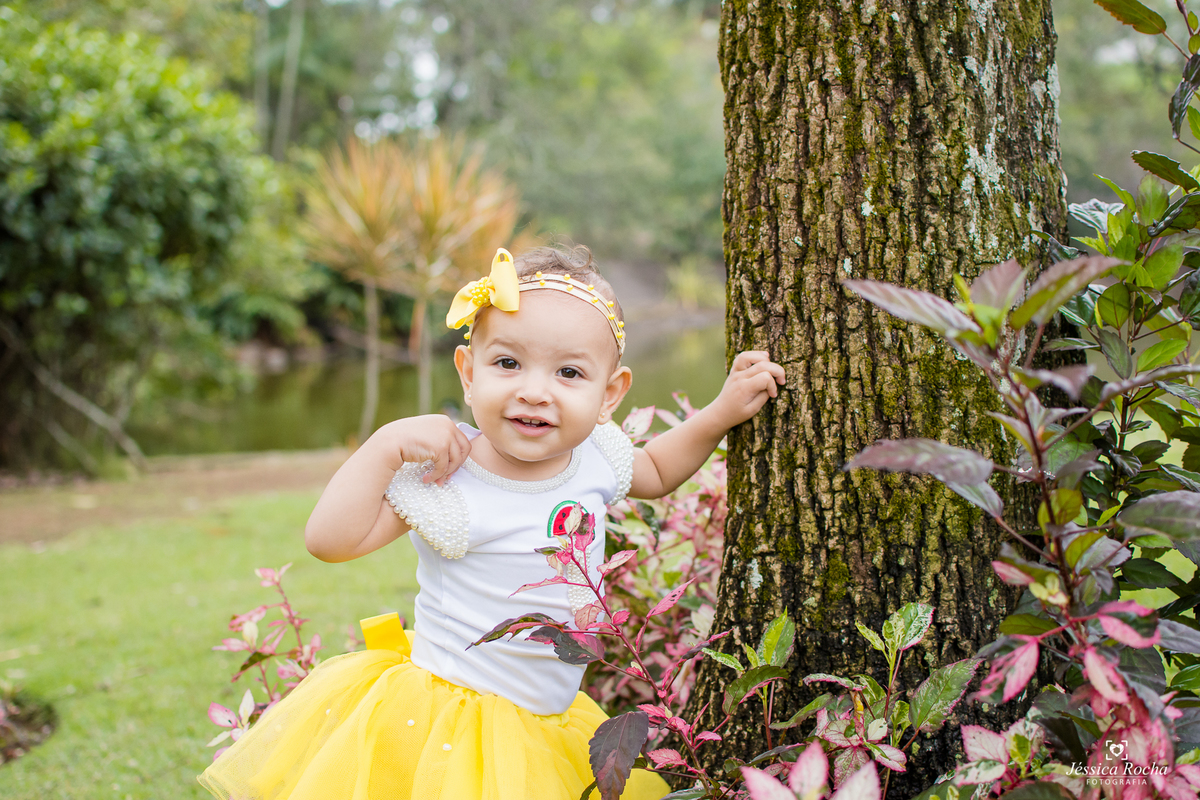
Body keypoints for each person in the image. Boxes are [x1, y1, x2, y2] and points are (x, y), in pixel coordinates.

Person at [198, 245, 786, 800]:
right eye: (508, 363)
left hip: (551, 723)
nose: (534, 392)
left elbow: (655, 469)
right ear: (468, 371)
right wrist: (383, 446)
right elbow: (329, 542)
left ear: (611, 394)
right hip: (453, 725)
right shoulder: (448, 476)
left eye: (569, 374)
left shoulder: (597, 456)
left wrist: (720, 414)